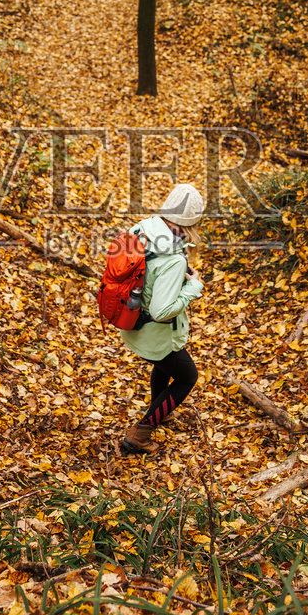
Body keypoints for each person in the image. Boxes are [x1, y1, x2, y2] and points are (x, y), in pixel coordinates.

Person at [118, 182, 206, 455]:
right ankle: (140, 434)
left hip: (130, 320)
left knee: (167, 366)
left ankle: (159, 410)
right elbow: (162, 311)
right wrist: (192, 288)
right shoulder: (173, 260)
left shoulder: (142, 228)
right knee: (187, 377)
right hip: (154, 333)